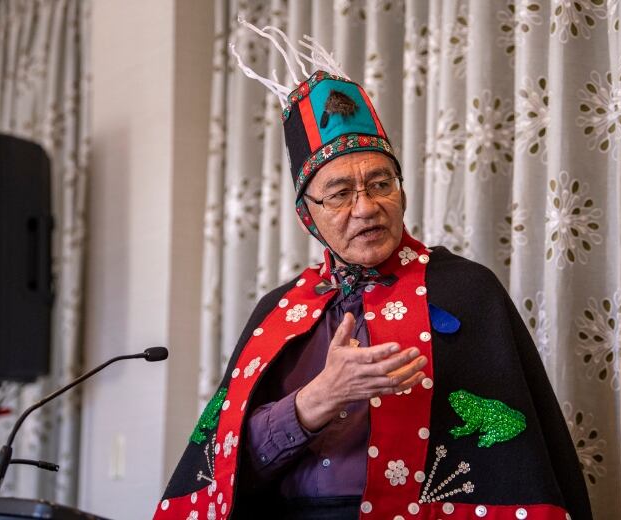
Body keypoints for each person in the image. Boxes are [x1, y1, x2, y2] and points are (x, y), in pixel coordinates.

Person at [154, 22, 592, 520]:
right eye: (340, 194)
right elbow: (228, 468)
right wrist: (318, 399)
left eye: (381, 183)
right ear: (307, 214)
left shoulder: (467, 291)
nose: (366, 208)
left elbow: (520, 465)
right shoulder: (276, 312)